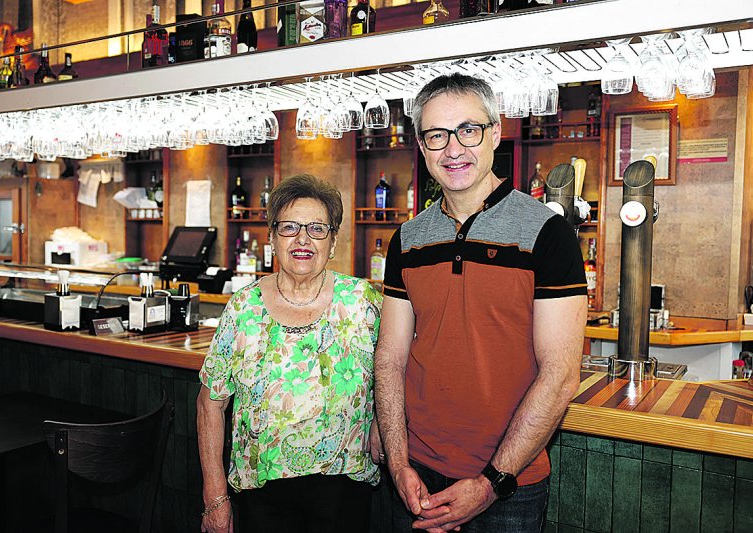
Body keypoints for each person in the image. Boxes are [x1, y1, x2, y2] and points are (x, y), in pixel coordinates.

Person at [375, 73, 587, 532]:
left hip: (509, 483)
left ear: (495, 132)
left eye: (468, 130)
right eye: (436, 135)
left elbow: (561, 374)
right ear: (421, 145)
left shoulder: (548, 234)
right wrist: (397, 464)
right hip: (415, 477)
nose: (453, 149)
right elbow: (389, 359)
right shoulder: (407, 240)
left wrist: (491, 483)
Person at [197, 174, 384, 533]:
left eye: (317, 228)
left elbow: (397, 371)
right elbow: (210, 404)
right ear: (271, 238)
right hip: (262, 496)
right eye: (289, 228)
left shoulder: (364, 302)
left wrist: (382, 422)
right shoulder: (243, 309)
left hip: (344, 490)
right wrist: (215, 498)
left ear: (332, 243)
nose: (302, 239)